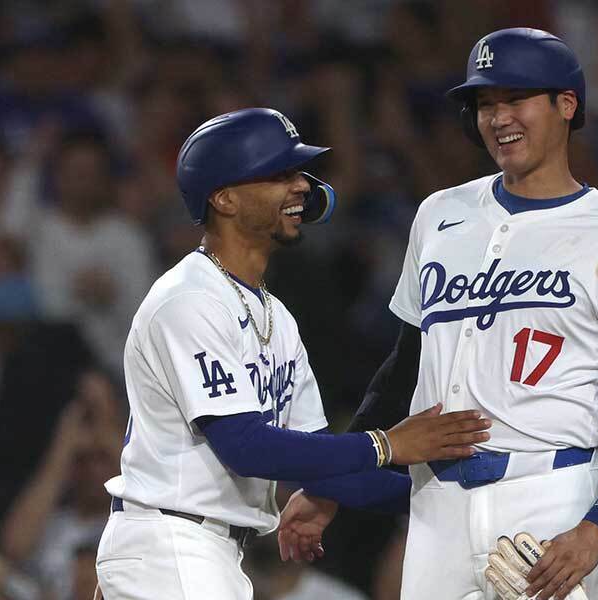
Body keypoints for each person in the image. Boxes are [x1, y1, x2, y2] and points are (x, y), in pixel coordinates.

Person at [278, 29, 598, 600]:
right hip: (434, 506)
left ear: (566, 105)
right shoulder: (440, 214)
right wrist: (335, 486)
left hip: (550, 497)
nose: (497, 118)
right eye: (484, 104)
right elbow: (403, 372)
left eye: (514, 99)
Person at [93, 107, 492, 599]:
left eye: (299, 172)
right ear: (225, 198)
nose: (302, 186)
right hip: (169, 545)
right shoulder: (190, 298)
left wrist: (462, 494)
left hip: (204, 552)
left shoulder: (275, 316)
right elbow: (245, 445)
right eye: (280, 174)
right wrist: (388, 445)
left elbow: (320, 460)